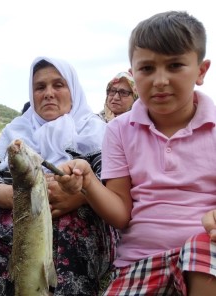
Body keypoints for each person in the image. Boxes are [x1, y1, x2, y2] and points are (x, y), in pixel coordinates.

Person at [0, 56, 119, 295]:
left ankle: (51, 283)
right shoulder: (15, 130)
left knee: (70, 245)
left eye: (58, 85)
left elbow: (113, 181)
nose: (48, 93)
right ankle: (29, 287)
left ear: (74, 90)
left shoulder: (95, 130)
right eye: (40, 87)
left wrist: (80, 196)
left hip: (72, 233)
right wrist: (8, 194)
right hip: (10, 230)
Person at [54, 11, 216, 296]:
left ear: (201, 71)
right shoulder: (118, 130)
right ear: (133, 72)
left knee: (201, 247)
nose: (160, 80)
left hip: (205, 259)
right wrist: (89, 181)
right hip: (139, 262)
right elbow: (121, 215)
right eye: (147, 69)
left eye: (175, 65)